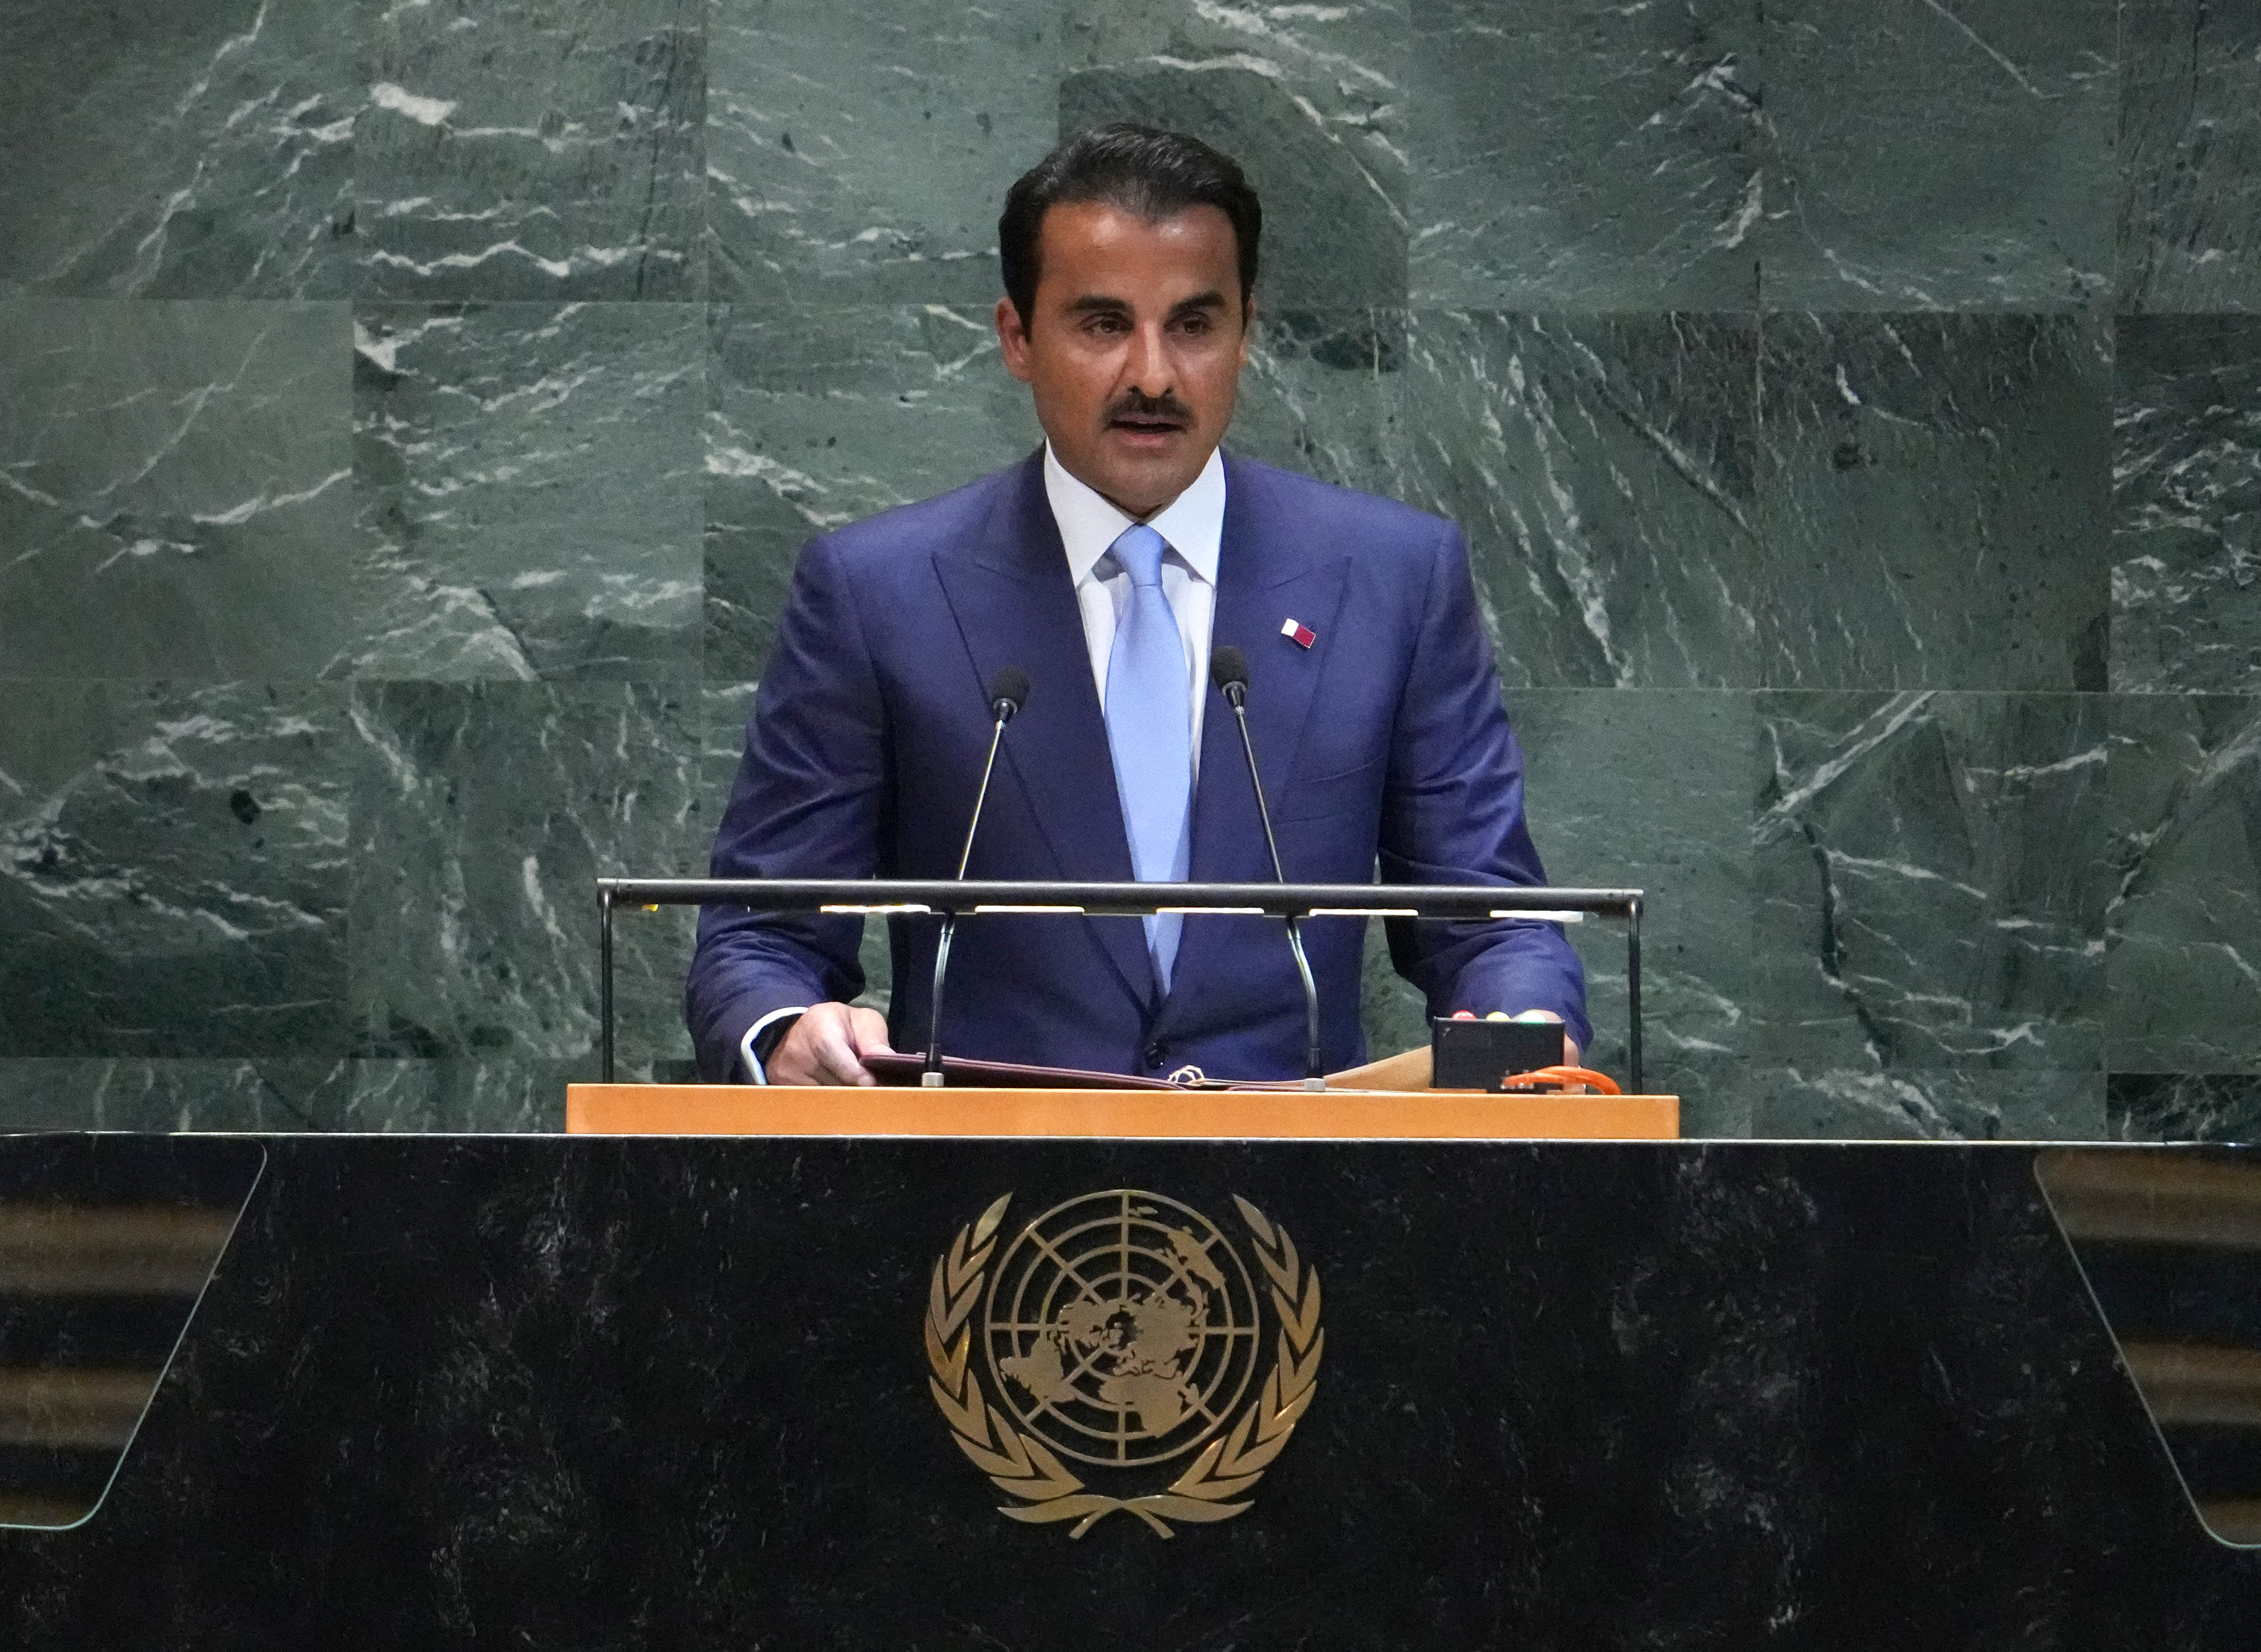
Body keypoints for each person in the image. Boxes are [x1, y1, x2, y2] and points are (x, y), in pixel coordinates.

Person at [687, 124, 1586, 1086]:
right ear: (1018, 339)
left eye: (1194, 325)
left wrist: (1525, 1014)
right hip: (979, 1201)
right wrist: (786, 1032)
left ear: (1246, 334)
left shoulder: (1394, 578)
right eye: (1104, 324)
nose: (1152, 376)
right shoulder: (879, 593)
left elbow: (1490, 921)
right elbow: (759, 939)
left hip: (1305, 1198)